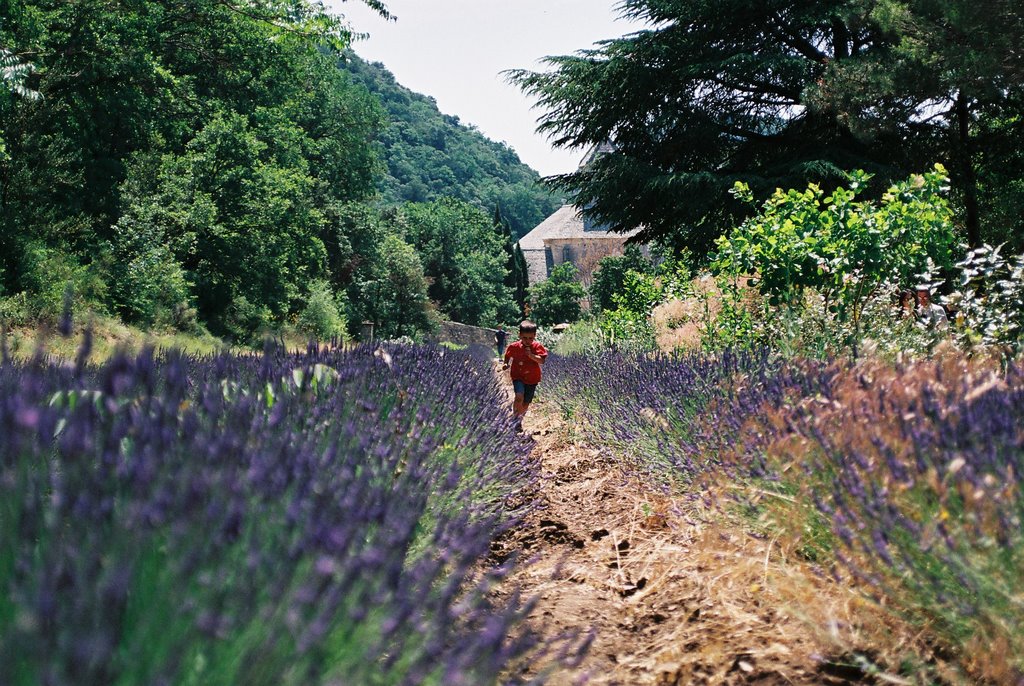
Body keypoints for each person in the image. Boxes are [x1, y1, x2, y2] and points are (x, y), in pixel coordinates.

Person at [502, 320, 548, 419]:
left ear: (535, 335)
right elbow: (508, 355)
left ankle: (520, 418)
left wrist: (531, 355)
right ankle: (515, 418)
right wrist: (506, 363)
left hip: (532, 379)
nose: (527, 341)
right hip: (518, 376)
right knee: (519, 397)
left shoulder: (537, 347)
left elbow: (542, 361)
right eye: (524, 338)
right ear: (520, 335)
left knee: (526, 402)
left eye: (530, 338)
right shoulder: (514, 346)